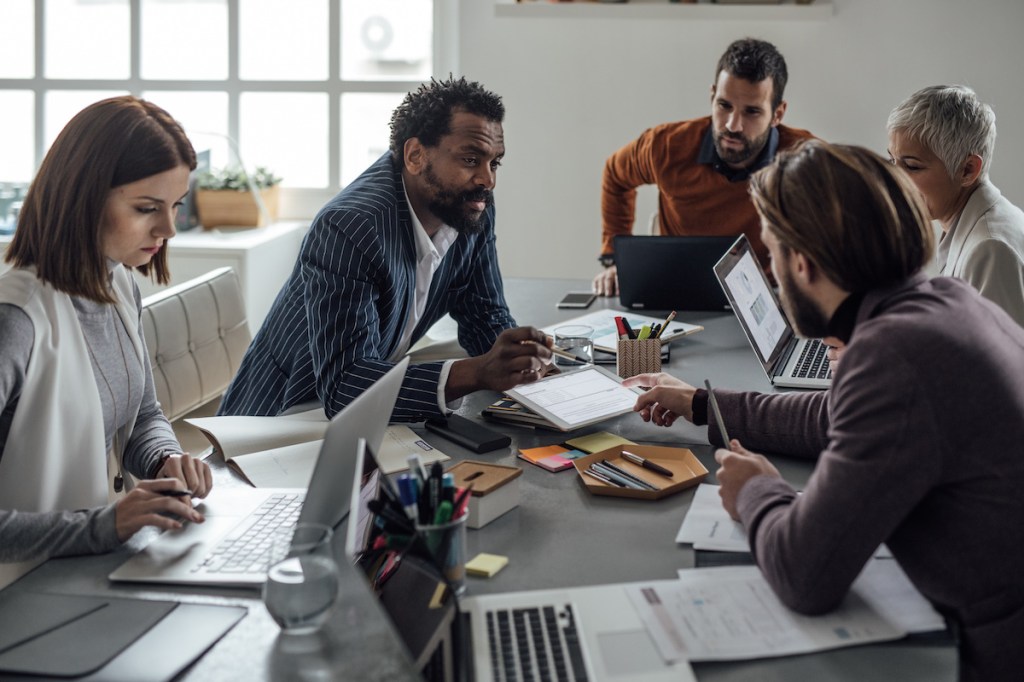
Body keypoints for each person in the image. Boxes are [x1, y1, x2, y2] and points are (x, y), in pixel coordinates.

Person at [624, 140, 1024, 680]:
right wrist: (701, 404)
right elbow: (832, 416)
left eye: (772, 257)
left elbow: (803, 575)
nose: (773, 275)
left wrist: (755, 490)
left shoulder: (896, 355)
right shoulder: (942, 303)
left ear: (804, 264)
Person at [218, 76, 551, 422]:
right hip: (283, 418)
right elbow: (345, 388)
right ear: (416, 155)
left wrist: (520, 364)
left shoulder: (469, 205)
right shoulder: (350, 226)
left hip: (365, 402)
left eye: (494, 163)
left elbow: (484, 314)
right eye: (470, 160)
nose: (488, 179)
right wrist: (477, 372)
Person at [0, 96, 212, 586]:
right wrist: (102, 527)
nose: (168, 229)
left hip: (79, 574)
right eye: (146, 208)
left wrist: (165, 459)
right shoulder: (16, 321)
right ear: (83, 196)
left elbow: (142, 414)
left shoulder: (119, 284)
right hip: (20, 591)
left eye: (175, 206)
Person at [592, 37, 814, 296]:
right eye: (724, 106)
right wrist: (613, 259)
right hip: (677, 293)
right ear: (712, 96)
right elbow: (615, 175)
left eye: (751, 112)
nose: (732, 125)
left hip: (767, 297)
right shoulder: (665, 146)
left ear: (777, 114)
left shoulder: (805, 159)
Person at [888, 84, 1024, 327]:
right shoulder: (970, 223)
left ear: (967, 170)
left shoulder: (989, 249)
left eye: (912, 166)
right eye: (892, 160)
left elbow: (994, 363)